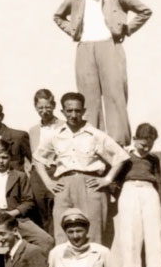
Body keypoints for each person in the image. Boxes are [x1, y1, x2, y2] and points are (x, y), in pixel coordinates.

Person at [53, 0, 153, 146]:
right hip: (85, 47)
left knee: (115, 94)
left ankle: (118, 143)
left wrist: (127, 29)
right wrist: (73, 31)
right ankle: (91, 141)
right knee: (88, 97)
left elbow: (144, 11)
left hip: (110, 46)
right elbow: (58, 16)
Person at [33, 92, 131, 245]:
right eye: (69, 111)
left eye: (77, 111)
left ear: (83, 111)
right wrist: (48, 182)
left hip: (90, 186)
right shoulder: (55, 135)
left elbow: (120, 157)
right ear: (62, 112)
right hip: (64, 185)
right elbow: (38, 158)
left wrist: (107, 179)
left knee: (93, 234)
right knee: (62, 233)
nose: (73, 115)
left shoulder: (96, 135)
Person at [113, 122, 161, 267]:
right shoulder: (125, 156)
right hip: (129, 192)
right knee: (130, 235)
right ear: (135, 139)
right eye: (143, 144)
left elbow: (159, 182)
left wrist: (158, 200)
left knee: (154, 235)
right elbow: (116, 180)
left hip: (149, 193)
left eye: (150, 145)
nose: (145, 149)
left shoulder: (153, 159)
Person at [0, 138, 54, 253]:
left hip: (16, 218)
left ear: (10, 157)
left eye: (5, 157)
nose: (1, 161)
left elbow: (29, 201)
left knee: (46, 240)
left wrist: (12, 213)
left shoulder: (20, 176)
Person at [28, 89, 65, 236]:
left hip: (57, 172)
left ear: (54, 105)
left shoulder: (64, 125)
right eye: (40, 108)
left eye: (47, 107)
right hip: (38, 175)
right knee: (42, 212)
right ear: (35, 107)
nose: (44, 111)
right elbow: (34, 157)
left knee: (57, 210)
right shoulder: (33, 130)